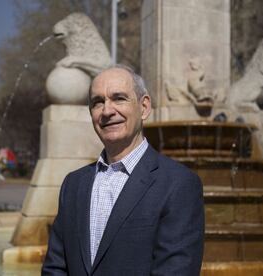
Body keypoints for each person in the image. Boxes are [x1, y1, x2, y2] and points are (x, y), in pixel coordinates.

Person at [42, 65, 205, 275]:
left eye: (119, 98)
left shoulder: (178, 184)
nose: (107, 111)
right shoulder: (73, 185)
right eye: (98, 102)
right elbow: (55, 268)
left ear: (144, 107)